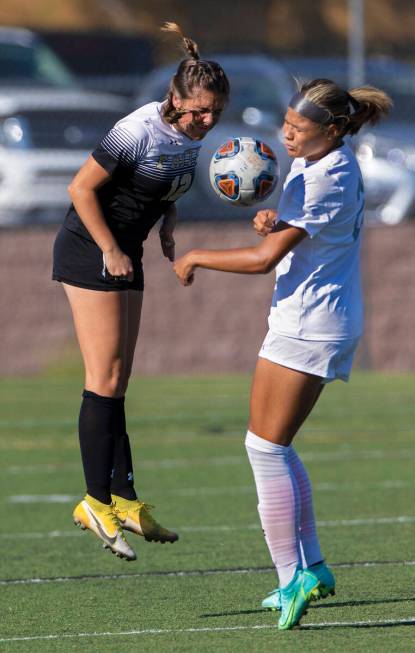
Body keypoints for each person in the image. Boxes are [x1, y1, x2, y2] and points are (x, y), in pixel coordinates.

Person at [174, 78, 392, 629]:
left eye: (298, 129)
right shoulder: (321, 162)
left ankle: (290, 574)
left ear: (334, 129)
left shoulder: (325, 175)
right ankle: (312, 566)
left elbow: (264, 261)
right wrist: (275, 220)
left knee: (265, 449)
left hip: (310, 325)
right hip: (316, 318)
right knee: (276, 447)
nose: (286, 136)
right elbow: (297, 237)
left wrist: (197, 254)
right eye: (286, 125)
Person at [52, 22, 230, 561]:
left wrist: (168, 222)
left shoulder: (186, 137)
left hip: (128, 251)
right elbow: (81, 188)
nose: (207, 121)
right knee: (101, 378)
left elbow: (161, 185)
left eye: (215, 113)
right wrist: (109, 248)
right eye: (198, 110)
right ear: (174, 98)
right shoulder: (139, 128)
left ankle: (125, 498)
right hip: (92, 250)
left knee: (118, 380)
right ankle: (93, 500)